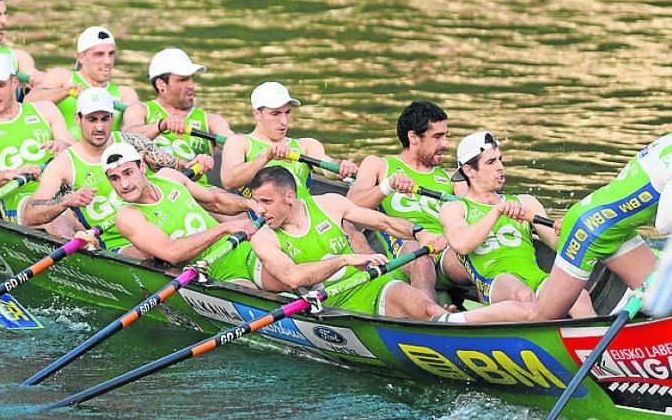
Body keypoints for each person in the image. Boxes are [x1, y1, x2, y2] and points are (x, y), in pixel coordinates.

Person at [442, 101, 672, 324]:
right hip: (588, 232)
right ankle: (455, 324)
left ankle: (649, 352)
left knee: (661, 294)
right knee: (540, 313)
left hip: (614, 229)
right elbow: (668, 224)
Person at [247, 167, 447, 319]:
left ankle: (445, 320)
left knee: (429, 310)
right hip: (333, 310)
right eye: (257, 202)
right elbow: (293, 277)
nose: (259, 210)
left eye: (266, 202)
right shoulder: (263, 238)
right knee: (424, 311)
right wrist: (343, 260)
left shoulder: (330, 204)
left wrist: (420, 233)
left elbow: (384, 222)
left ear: (289, 197)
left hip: (372, 286)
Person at [437, 132, 593, 319]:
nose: (500, 167)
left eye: (500, 160)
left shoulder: (525, 202)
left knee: (580, 297)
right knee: (523, 296)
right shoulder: (455, 208)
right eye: (491, 162)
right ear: (469, 170)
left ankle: (601, 344)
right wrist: (496, 211)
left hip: (536, 278)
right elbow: (461, 244)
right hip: (497, 282)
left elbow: (558, 245)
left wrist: (570, 229)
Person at [96, 142, 260, 285]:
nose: (124, 184)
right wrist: (223, 228)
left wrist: (249, 203)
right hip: (216, 273)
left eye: (128, 173)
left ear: (142, 167)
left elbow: (216, 202)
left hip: (242, 247)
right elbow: (171, 253)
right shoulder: (128, 216)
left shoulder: (169, 176)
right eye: (115, 178)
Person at [347, 100, 468, 294]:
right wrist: (387, 186)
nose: (445, 144)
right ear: (413, 137)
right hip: (405, 246)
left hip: (444, 247)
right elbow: (350, 206)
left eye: (446, 136)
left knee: (481, 258)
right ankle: (429, 316)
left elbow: (472, 212)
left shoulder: (450, 177)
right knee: (422, 260)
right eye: (437, 136)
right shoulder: (379, 165)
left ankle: (502, 316)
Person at [0, 51, 73, 224]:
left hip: (60, 190)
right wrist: (11, 174)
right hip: (20, 199)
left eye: (0, 85)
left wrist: (63, 147)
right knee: (58, 221)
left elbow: (77, 155)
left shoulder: (45, 109)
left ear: (14, 83)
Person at [20, 88, 135, 246]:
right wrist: (66, 201)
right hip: (113, 244)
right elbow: (29, 216)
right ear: (77, 119)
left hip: (149, 226)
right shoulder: (63, 164)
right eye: (92, 119)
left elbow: (172, 166)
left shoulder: (130, 141)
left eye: (104, 119)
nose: (100, 127)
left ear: (112, 118)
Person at [219, 81, 358, 195]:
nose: (284, 121)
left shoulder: (307, 145)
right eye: (275, 114)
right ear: (257, 114)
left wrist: (340, 167)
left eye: (288, 112)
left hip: (305, 216)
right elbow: (229, 181)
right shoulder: (239, 143)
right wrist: (266, 157)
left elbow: (326, 167)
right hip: (264, 222)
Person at [120, 48, 235, 174]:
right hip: (154, 188)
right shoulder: (139, 110)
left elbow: (236, 144)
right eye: (182, 80)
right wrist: (160, 126)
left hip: (197, 190)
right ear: (161, 84)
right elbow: (126, 138)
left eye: (192, 78)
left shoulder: (212, 120)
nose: (191, 85)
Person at [24, 26, 139, 140]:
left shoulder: (125, 93)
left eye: (111, 54)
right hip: (62, 152)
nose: (108, 61)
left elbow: (132, 131)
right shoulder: (62, 77)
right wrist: (68, 91)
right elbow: (29, 101)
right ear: (81, 58)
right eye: (99, 54)